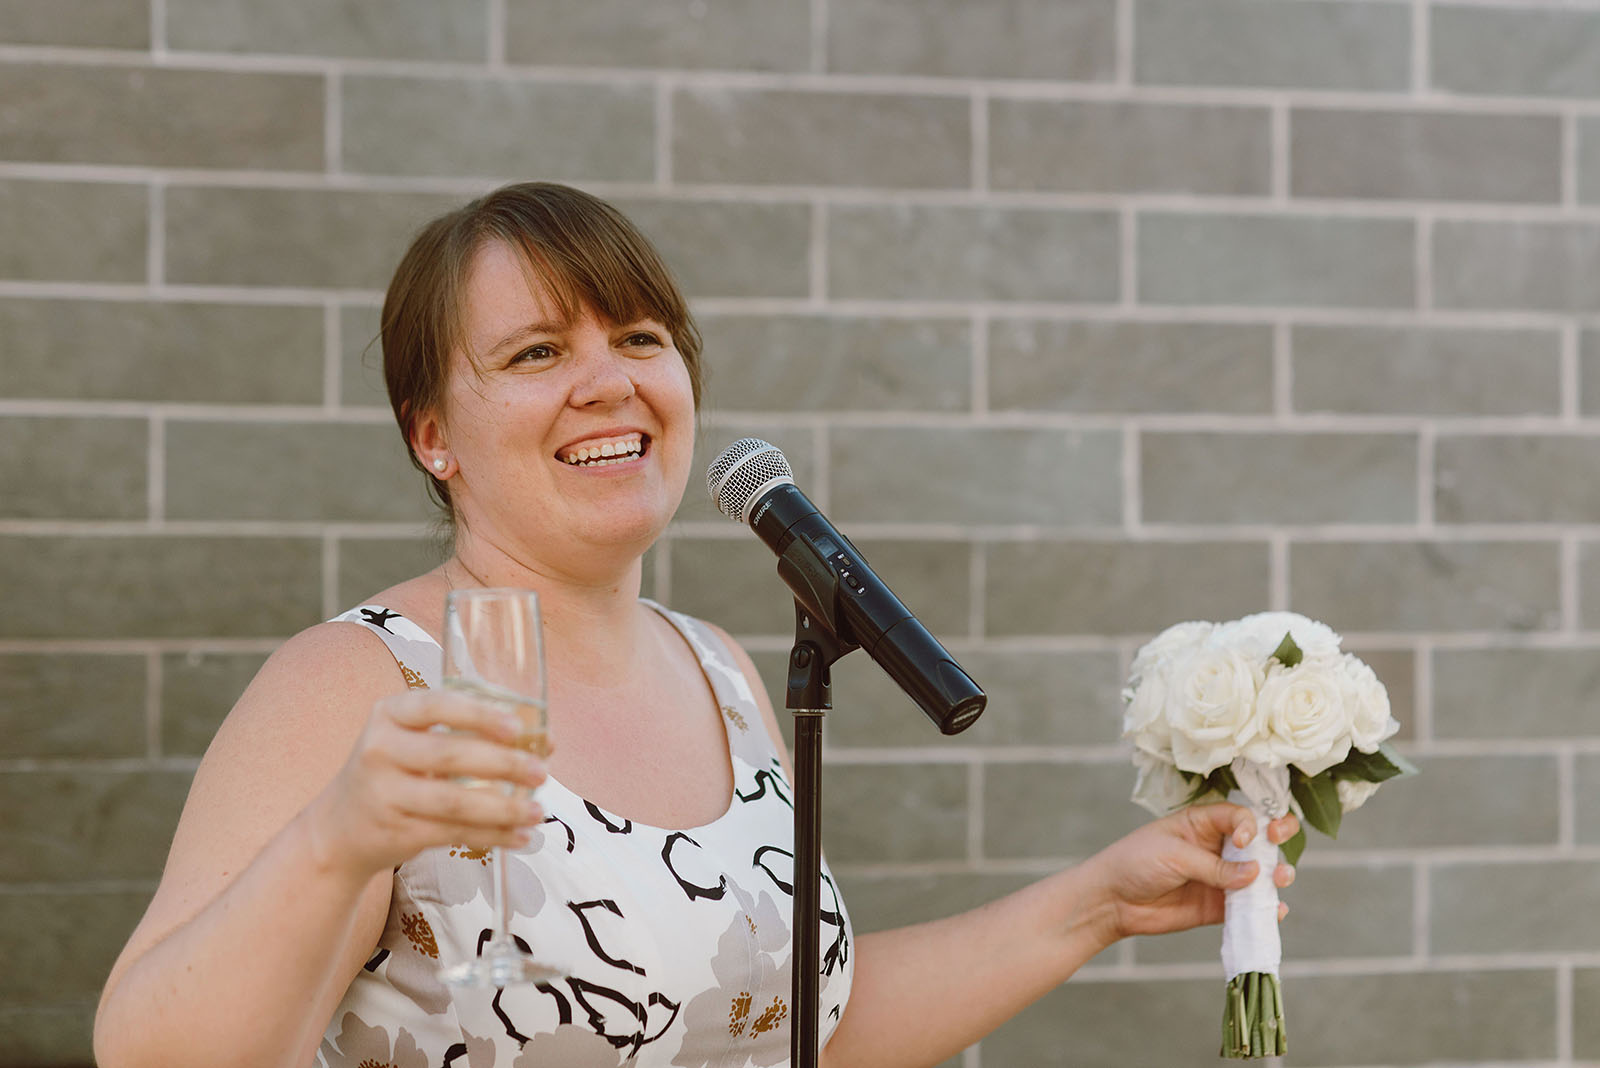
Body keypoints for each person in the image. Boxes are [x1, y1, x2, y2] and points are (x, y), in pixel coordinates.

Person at [92, 182, 1297, 1068]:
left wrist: (1097, 905)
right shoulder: (356, 682)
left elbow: (789, 1024)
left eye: (637, 339)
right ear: (433, 434)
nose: (607, 380)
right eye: (534, 351)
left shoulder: (717, 666)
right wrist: (334, 843)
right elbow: (154, 1051)